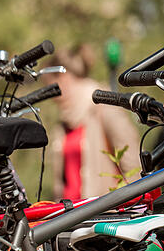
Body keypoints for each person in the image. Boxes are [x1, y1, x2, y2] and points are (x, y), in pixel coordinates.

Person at [45, 44, 141, 200]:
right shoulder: (64, 122)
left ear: (64, 78)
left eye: (47, 86)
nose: (47, 94)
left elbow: (133, 168)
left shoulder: (105, 108)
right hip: (70, 217)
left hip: (104, 216)